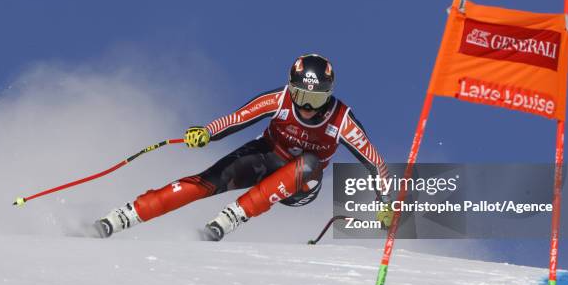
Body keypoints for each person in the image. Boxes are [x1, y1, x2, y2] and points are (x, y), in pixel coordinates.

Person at [95, 54, 392, 240]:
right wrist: (206, 133)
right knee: (206, 181)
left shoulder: (342, 120)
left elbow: (376, 163)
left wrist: (386, 204)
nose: (306, 107)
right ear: (290, 88)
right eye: (300, 97)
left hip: (299, 183)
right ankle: (126, 215)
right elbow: (239, 118)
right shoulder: (278, 100)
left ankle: (235, 214)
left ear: (329, 96)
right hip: (266, 155)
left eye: (315, 100)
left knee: (310, 162)